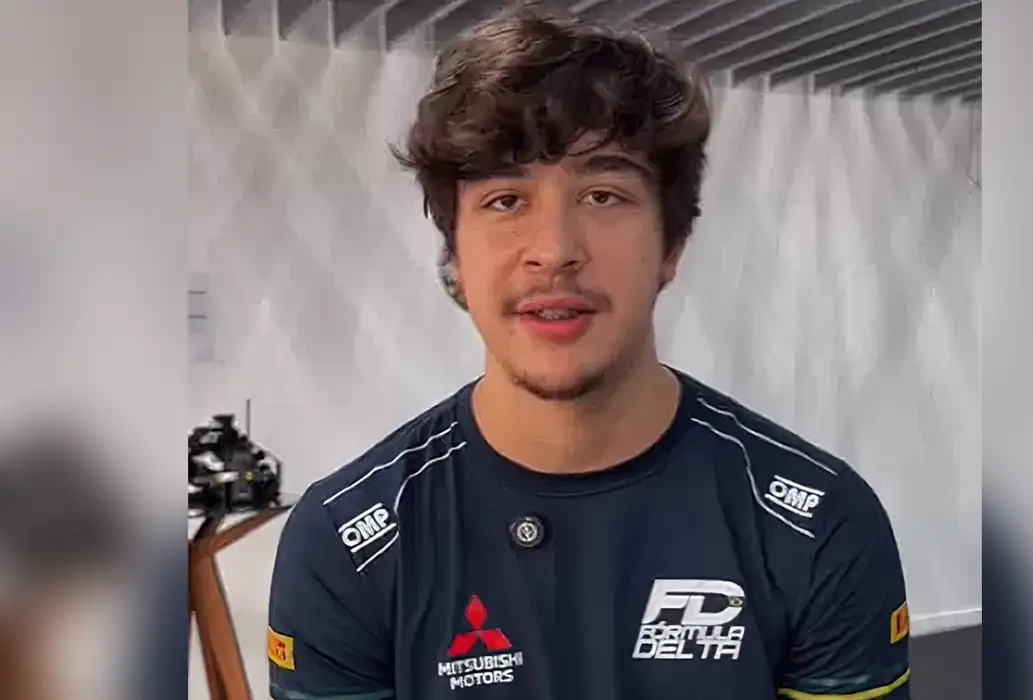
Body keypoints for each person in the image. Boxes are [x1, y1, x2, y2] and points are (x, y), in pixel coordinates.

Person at [267, 7, 911, 700]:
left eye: (603, 195)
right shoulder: (344, 545)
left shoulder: (820, 526)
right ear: (454, 256)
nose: (554, 251)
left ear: (672, 246)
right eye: (506, 200)